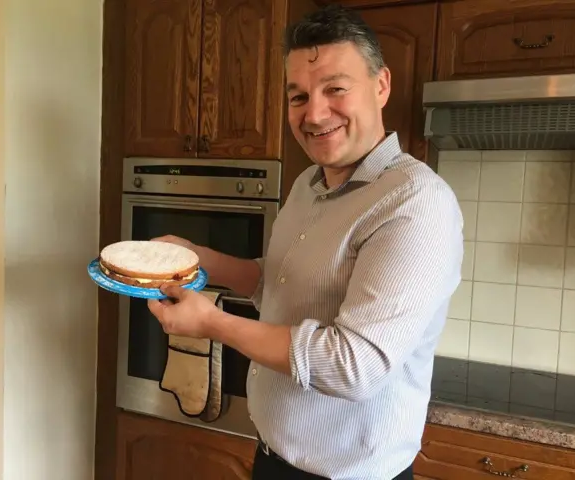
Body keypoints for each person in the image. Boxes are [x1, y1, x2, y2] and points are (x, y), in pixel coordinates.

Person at [148, 5, 463, 480]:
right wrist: (199, 260)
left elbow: (355, 365)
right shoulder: (308, 184)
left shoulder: (415, 203)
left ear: (381, 87)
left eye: (335, 89)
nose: (314, 114)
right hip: (273, 458)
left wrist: (213, 323)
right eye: (298, 96)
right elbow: (280, 282)